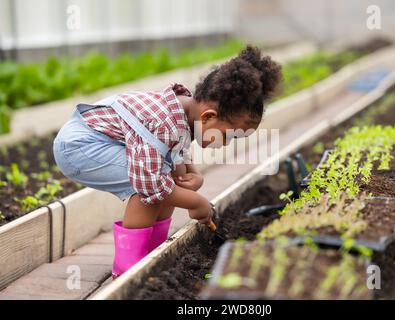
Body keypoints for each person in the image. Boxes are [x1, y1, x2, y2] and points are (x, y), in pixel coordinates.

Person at [53, 45, 282, 278]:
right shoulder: (163, 121)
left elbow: (176, 151)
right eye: (228, 136)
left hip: (100, 142)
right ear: (209, 117)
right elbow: (150, 184)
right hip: (80, 146)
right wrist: (196, 202)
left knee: (169, 180)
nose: (227, 143)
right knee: (147, 190)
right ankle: (127, 270)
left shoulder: (186, 113)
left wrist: (193, 174)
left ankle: (152, 254)